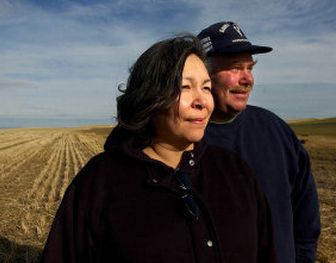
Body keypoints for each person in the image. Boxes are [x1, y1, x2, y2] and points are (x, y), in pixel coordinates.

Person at [41, 35, 277, 262]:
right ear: (151, 96)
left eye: (206, 88)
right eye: (185, 87)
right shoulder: (99, 182)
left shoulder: (235, 171)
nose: (202, 102)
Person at [197, 21, 321, 263]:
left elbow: (305, 212)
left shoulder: (275, 130)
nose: (247, 79)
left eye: (250, 68)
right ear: (205, 74)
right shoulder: (178, 142)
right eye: (235, 68)